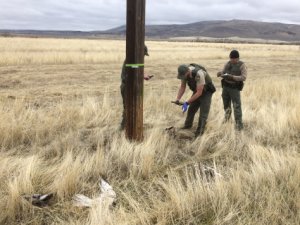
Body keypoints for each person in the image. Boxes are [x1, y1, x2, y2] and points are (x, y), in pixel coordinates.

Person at [175, 63, 216, 137]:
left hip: (207, 91)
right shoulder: (184, 74)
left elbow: (199, 93)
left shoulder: (199, 74)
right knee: (191, 109)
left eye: (184, 75)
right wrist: (178, 99)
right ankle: (187, 126)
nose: (183, 77)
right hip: (197, 90)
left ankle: (200, 132)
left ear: (188, 72)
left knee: (203, 112)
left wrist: (187, 103)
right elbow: (182, 87)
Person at [120, 45, 151, 130]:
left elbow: (137, 69)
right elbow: (134, 70)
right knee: (128, 107)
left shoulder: (134, 59)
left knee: (133, 106)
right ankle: (124, 127)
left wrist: (143, 76)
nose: (144, 56)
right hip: (127, 87)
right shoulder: (131, 60)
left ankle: (131, 126)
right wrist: (142, 75)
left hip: (130, 87)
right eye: (143, 54)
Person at [217, 50, 247, 130]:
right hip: (226, 87)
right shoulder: (227, 63)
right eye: (231, 58)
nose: (232, 60)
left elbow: (244, 77)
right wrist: (220, 73)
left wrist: (232, 77)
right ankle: (227, 120)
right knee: (226, 105)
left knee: (236, 106)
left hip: (235, 88)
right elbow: (223, 72)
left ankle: (239, 125)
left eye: (234, 59)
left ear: (238, 58)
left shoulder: (242, 65)